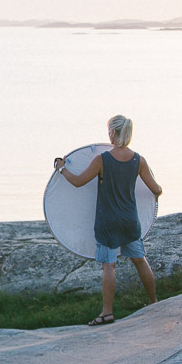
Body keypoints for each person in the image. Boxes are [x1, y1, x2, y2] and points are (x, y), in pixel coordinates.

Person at [54, 115, 163, 326]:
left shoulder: (102, 159)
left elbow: (78, 182)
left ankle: (107, 312)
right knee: (140, 260)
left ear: (113, 133)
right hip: (130, 220)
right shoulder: (138, 160)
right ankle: (153, 302)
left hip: (107, 222)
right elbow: (156, 189)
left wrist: (61, 168)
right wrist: (153, 195)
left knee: (109, 265)